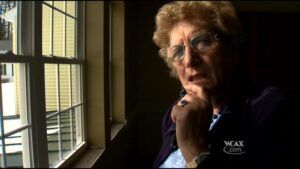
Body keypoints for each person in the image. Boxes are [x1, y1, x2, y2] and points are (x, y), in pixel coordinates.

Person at [152, 1, 300, 168]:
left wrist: (195, 151)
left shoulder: (274, 109)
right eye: (178, 51)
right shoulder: (176, 114)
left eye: (202, 41)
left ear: (231, 50)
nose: (188, 60)